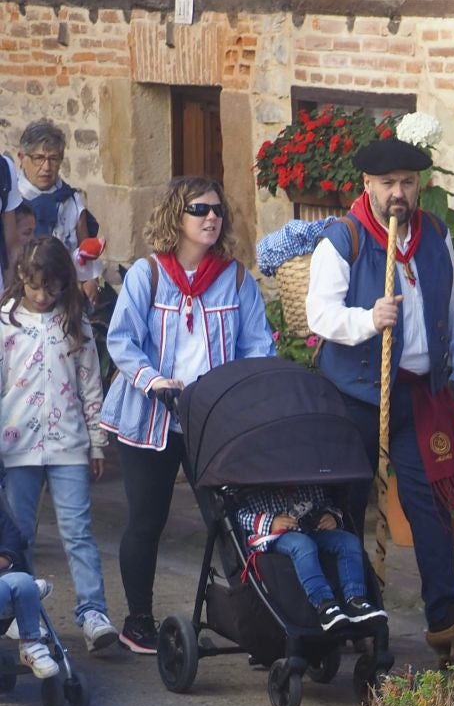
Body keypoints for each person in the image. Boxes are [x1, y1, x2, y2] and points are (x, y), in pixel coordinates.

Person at [306, 135, 454, 664]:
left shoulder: (433, 234)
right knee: (343, 508)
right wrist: (369, 319)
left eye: (407, 183)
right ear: (368, 185)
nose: (398, 193)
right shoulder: (343, 239)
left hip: (418, 395)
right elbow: (319, 315)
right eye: (388, 184)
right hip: (355, 397)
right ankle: (351, 609)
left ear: (419, 186)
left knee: (429, 507)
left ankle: (445, 619)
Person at [101, 176, 275, 654]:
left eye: (217, 210)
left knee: (229, 521)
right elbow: (121, 340)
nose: (211, 218)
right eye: (199, 209)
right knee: (146, 520)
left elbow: (257, 347)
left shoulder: (236, 279)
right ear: (176, 216)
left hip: (212, 420)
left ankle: (253, 623)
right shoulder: (148, 274)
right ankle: (138, 622)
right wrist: (153, 380)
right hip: (150, 416)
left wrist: (245, 394)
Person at [0, 236, 114, 652]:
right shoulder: (5, 322)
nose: (43, 296)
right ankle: (22, 613)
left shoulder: (75, 321)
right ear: (21, 280)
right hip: (17, 448)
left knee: (78, 531)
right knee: (20, 536)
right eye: (35, 287)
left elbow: (90, 383)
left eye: (52, 287)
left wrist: (97, 442)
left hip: (68, 443)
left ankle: (93, 611)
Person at [230, 483, 385, 629]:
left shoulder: (306, 473)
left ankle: (355, 600)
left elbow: (323, 501)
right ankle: (324, 604)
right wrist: (270, 522)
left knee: (349, 542)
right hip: (274, 534)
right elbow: (240, 515)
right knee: (303, 545)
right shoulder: (253, 482)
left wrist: (330, 515)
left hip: (310, 527)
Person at [13, 121, 103, 301]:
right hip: (20, 293)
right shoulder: (11, 201)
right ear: (22, 158)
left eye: (53, 159)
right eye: (39, 158)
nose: (46, 167)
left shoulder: (71, 200)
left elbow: (84, 249)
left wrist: (89, 280)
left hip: (64, 292)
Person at [0, 493, 62, 679]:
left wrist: (5, 557)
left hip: (4, 576)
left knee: (24, 581)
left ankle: (30, 644)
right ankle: (30, 594)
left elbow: (12, 537)